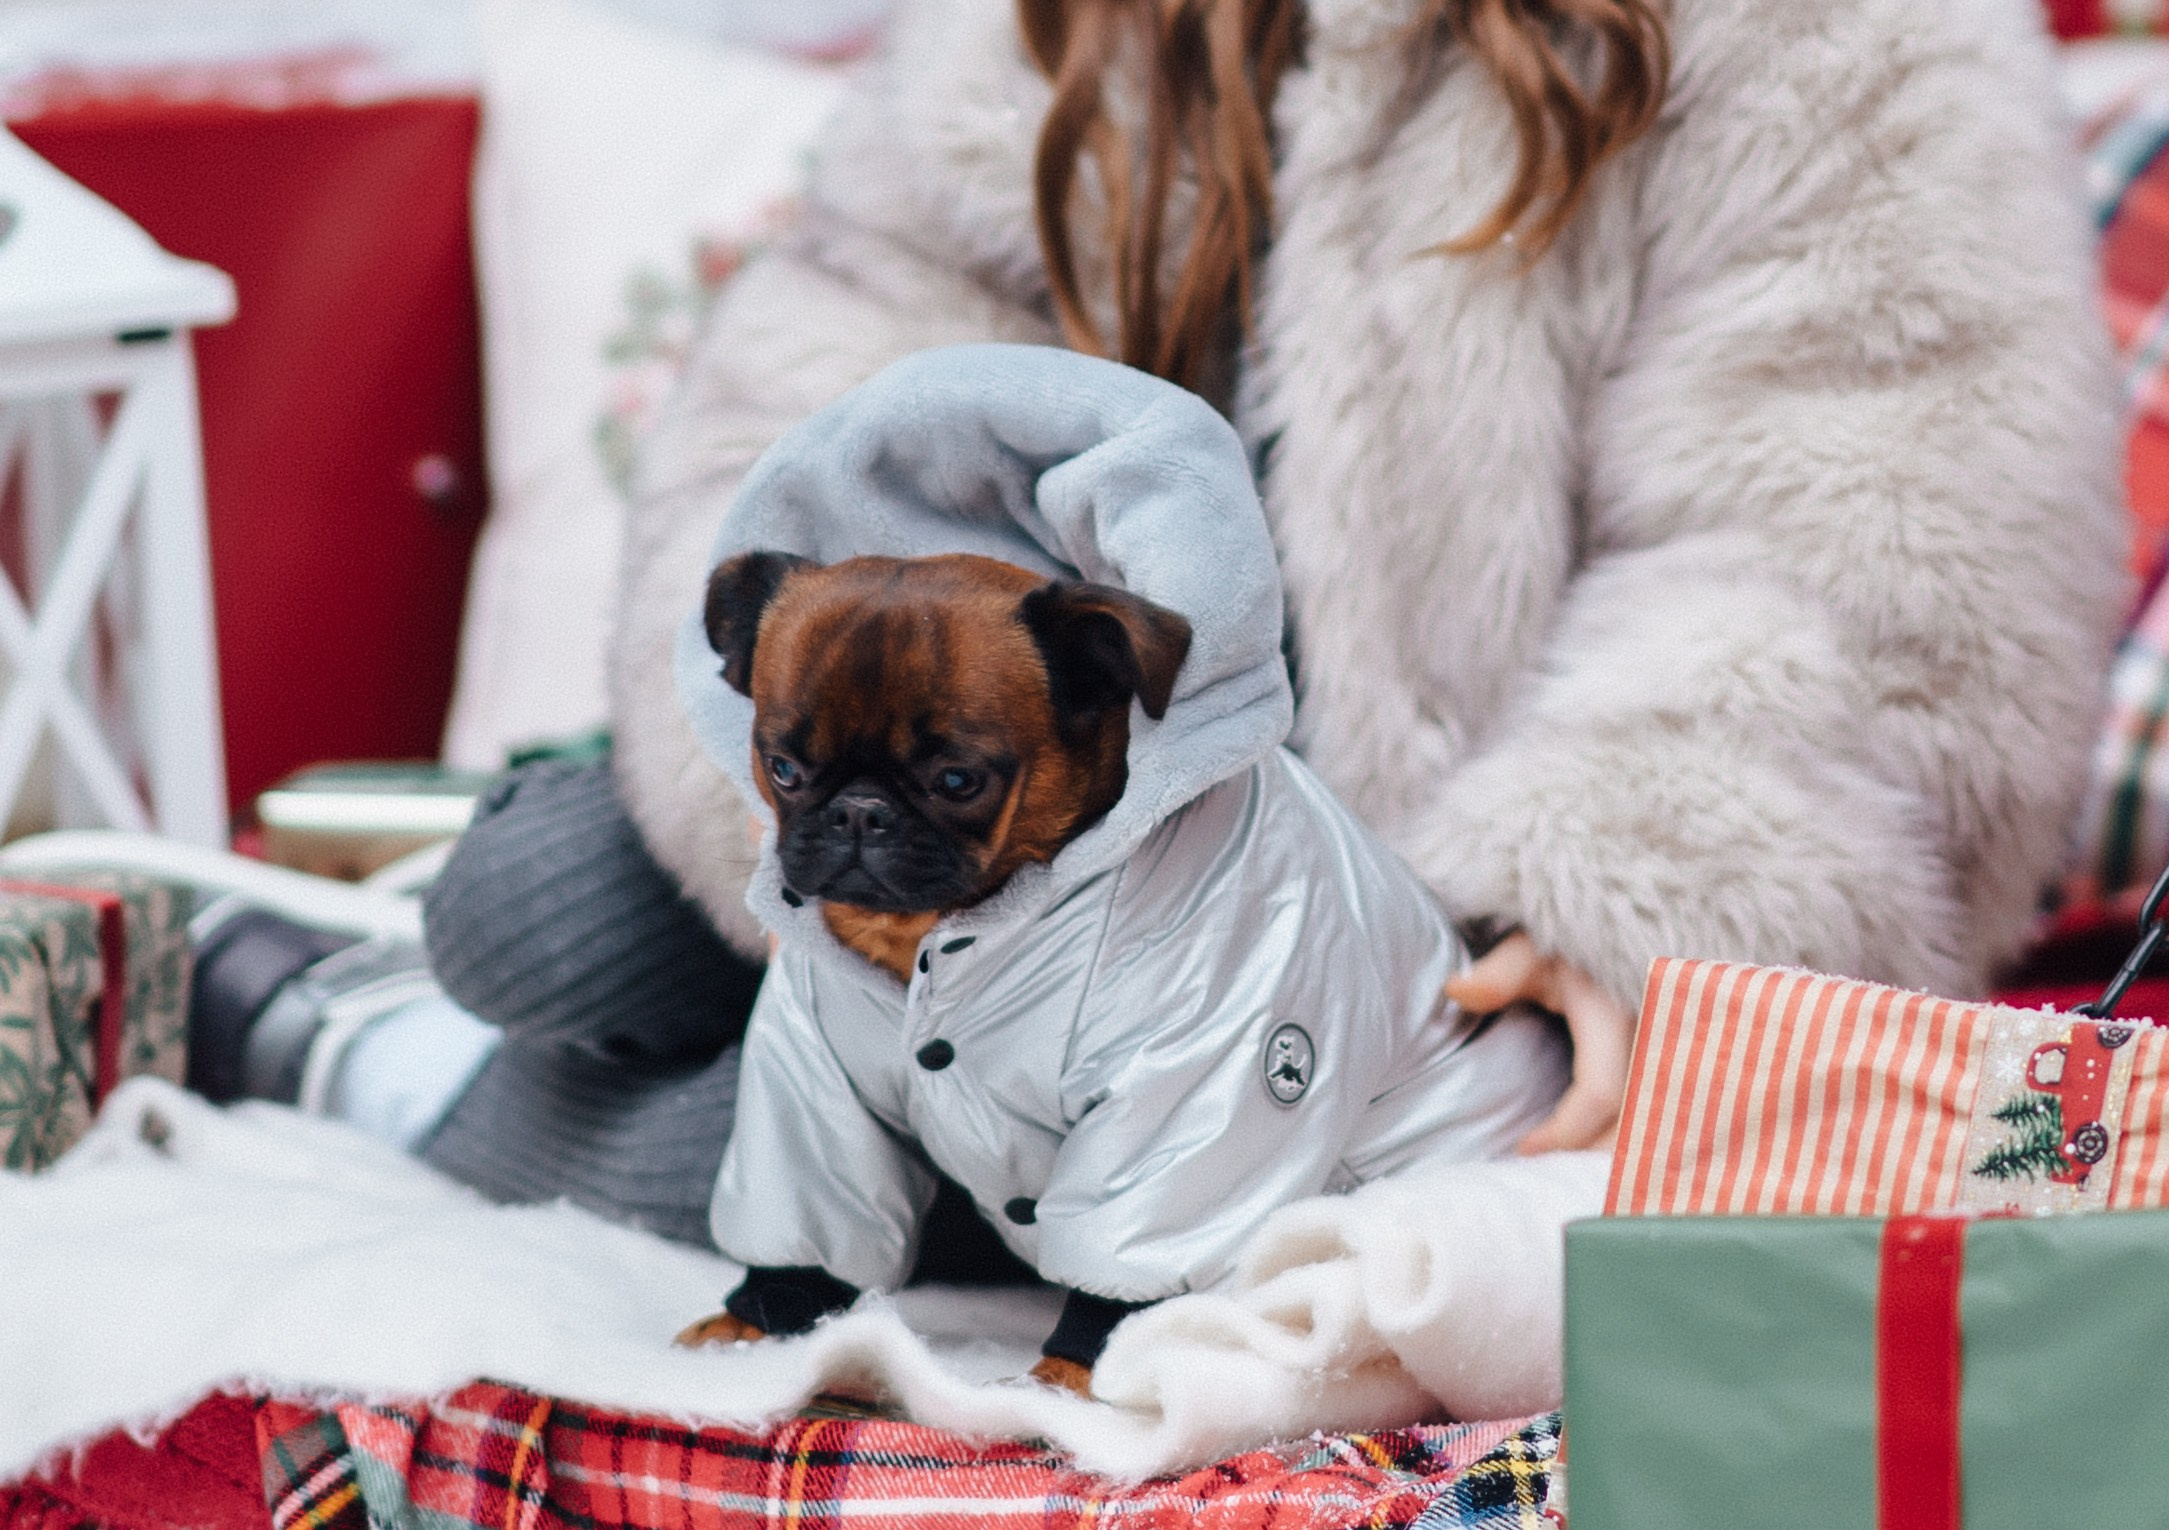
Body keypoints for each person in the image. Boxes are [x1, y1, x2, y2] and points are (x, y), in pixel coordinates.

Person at [244, 0, 2121, 1240]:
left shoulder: (1841, 37)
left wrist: (1618, 910)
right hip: (1046, 813)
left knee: (1003, 1186)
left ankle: (381, 1076)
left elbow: (1875, 539)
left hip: (1412, 923)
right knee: (537, 904)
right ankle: (441, 1033)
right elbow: (835, 371)